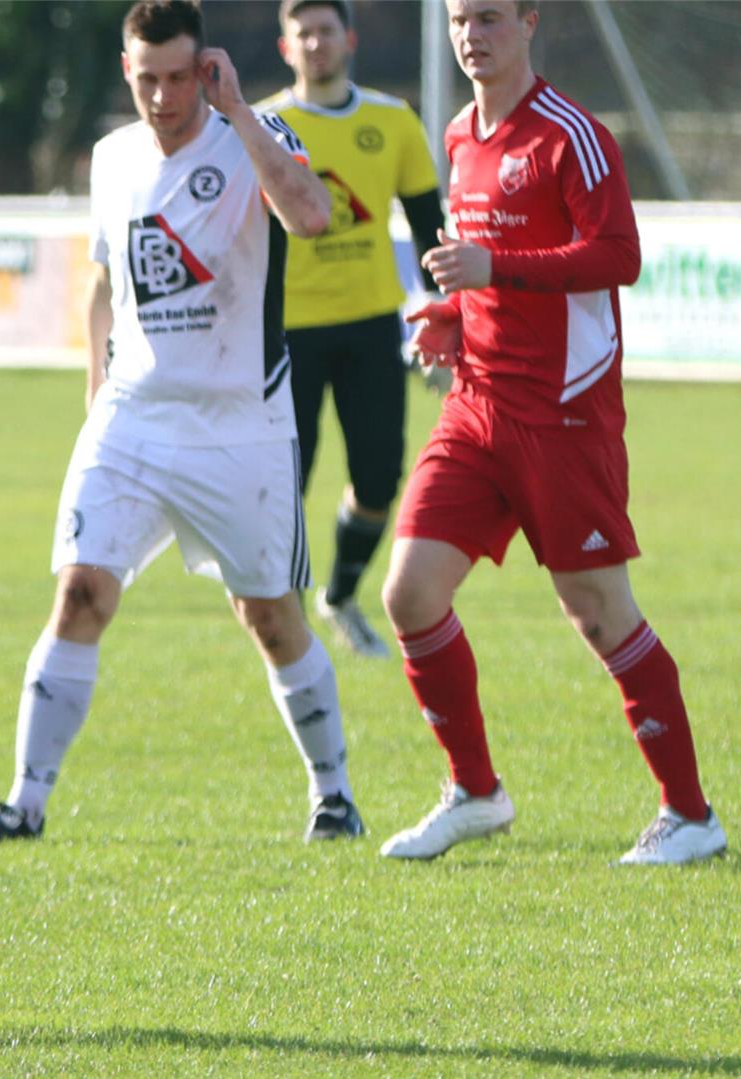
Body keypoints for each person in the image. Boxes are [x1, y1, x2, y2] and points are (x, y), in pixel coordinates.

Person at [0, 0, 360, 846]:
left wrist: (240, 113)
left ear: (204, 67)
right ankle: (24, 803)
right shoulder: (111, 157)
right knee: (80, 593)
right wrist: (97, 393)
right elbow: (104, 284)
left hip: (238, 425)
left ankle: (334, 794)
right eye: (148, 79)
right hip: (132, 417)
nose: (165, 96)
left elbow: (312, 217)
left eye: (180, 77)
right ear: (128, 69)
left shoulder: (258, 137)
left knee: (271, 616)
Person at [380, 0, 726, 865]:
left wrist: (495, 269)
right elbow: (480, 277)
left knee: (599, 612)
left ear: (531, 22)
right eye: (461, 19)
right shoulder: (458, 135)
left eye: (491, 17)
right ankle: (475, 792)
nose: (472, 35)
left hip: (564, 414)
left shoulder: (572, 135)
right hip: (475, 405)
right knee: (409, 593)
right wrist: (453, 315)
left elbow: (619, 257)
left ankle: (690, 815)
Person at [257, 0, 447, 659]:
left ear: (350, 41)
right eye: (301, 33)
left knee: (377, 478)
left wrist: (449, 320)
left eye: (325, 31)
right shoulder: (264, 126)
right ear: (286, 47)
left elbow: (430, 229)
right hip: (287, 335)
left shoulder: (392, 121)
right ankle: (283, 624)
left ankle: (338, 595)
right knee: (286, 484)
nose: (314, 43)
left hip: (371, 329)